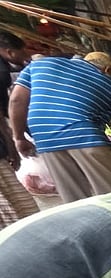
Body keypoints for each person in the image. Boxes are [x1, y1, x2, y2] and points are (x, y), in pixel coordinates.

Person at [8, 51, 111, 203]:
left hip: (45, 140)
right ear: (107, 70)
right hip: (86, 136)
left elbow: (16, 100)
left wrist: (19, 138)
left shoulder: (41, 64)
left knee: (77, 203)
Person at [0, 31, 35, 227]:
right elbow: (7, 106)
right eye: (23, 52)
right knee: (14, 209)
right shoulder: (2, 73)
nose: (26, 56)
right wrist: (15, 140)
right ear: (10, 52)